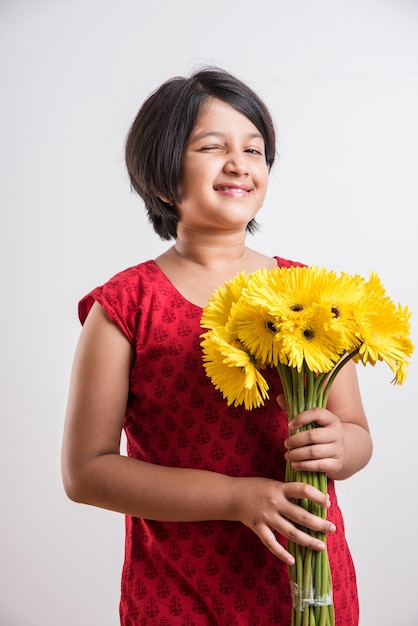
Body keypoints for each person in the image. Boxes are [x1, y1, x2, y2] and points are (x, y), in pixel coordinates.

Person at [61, 67, 372, 626]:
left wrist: (339, 446)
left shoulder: (313, 295)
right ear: (160, 177)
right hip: (178, 593)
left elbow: (357, 436)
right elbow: (86, 472)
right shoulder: (124, 307)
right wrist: (236, 498)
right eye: (212, 146)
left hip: (307, 586)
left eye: (254, 150)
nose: (240, 164)